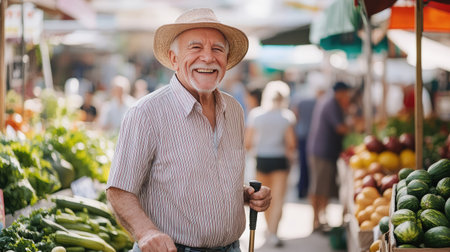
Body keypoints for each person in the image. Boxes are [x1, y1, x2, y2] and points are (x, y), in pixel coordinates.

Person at [106, 8, 272, 252]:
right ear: (174, 59)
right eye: (195, 47)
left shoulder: (235, 110)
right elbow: (119, 190)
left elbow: (209, 177)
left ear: (226, 59)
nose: (207, 57)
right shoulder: (146, 113)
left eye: (217, 49)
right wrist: (146, 232)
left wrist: (246, 195)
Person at [244, 80, 296, 247]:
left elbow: (248, 142)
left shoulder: (256, 115)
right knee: (278, 198)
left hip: (262, 159)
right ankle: (273, 232)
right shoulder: (286, 116)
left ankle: (269, 229)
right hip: (280, 160)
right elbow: (291, 144)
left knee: (263, 196)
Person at [307, 81, 352, 231]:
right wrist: (354, 127)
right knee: (318, 187)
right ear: (341, 92)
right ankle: (315, 221)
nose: (348, 97)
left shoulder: (329, 100)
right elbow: (340, 128)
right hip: (322, 151)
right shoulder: (331, 103)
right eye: (346, 94)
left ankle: (320, 218)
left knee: (323, 187)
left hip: (324, 151)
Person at [292, 73, 326, 199]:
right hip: (313, 136)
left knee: (302, 164)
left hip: (301, 135)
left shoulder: (299, 98)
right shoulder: (319, 101)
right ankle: (309, 191)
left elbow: (295, 115)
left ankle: (302, 190)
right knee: (312, 166)